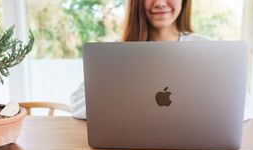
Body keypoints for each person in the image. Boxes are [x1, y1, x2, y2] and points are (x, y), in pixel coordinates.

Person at [70, 0, 210, 119]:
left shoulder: (206, 49)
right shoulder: (114, 54)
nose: (160, 3)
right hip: (130, 144)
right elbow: (78, 104)